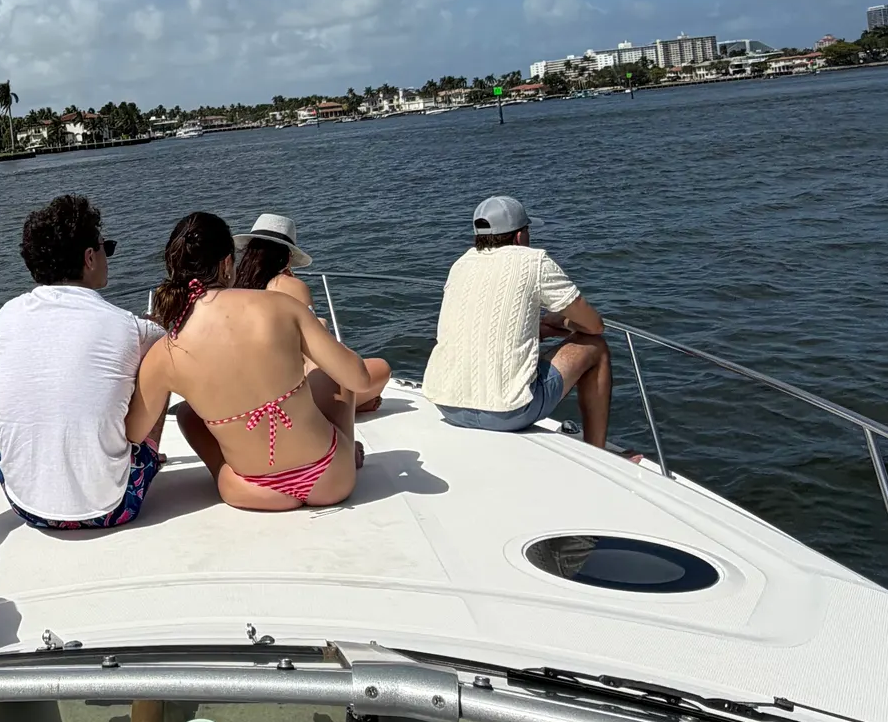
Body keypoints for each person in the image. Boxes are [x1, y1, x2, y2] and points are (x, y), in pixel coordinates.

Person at [131, 211, 381, 511]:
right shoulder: (281, 305)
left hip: (250, 491)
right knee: (331, 376)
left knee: (187, 412)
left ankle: (239, 466)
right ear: (226, 263)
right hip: (331, 479)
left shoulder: (165, 351)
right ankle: (348, 452)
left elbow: (134, 433)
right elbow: (359, 379)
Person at [0, 194, 166, 529]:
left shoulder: (7, 314)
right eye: (106, 248)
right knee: (161, 360)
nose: (106, 256)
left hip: (24, 504)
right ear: (89, 257)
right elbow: (169, 344)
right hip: (109, 510)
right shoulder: (125, 326)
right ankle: (150, 456)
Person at [421, 196, 613, 447]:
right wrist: (562, 323)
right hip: (507, 413)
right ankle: (598, 451)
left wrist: (539, 329)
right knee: (595, 348)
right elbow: (594, 326)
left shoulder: (460, 265)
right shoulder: (534, 261)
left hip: (447, 405)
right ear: (520, 236)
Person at [233, 211, 391, 413]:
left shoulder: (233, 289)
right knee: (381, 368)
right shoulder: (291, 286)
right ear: (288, 257)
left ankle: (355, 405)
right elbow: (313, 350)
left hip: (246, 391)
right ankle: (348, 408)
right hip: (289, 395)